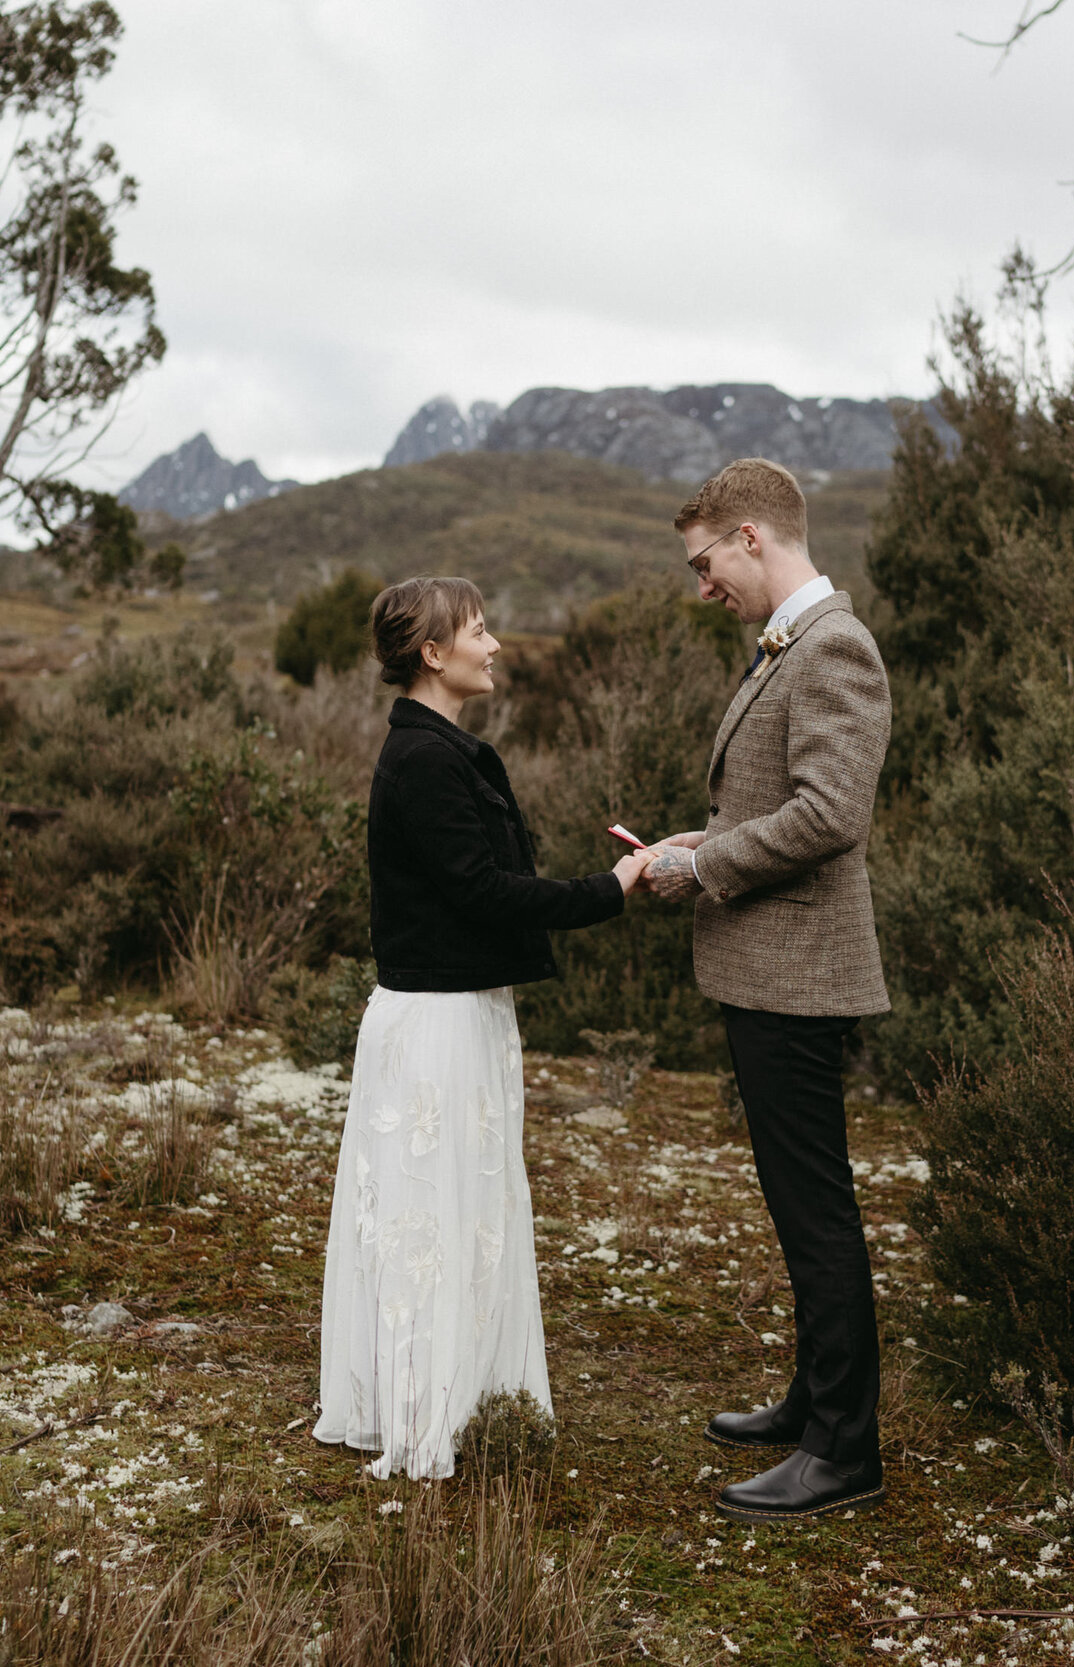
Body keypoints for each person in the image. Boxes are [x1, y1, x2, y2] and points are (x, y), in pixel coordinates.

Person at [314, 575, 651, 1480]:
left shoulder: (441, 750)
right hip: (435, 1026)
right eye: (478, 629)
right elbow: (483, 893)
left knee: (465, 1209)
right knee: (433, 1212)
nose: (495, 643)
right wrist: (609, 891)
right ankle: (427, 1412)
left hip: (463, 1011)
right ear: (433, 652)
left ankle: (462, 1398)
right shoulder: (424, 759)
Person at [641, 458, 893, 1523]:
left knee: (816, 1208)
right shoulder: (790, 641)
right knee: (798, 1206)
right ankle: (812, 1400)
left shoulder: (833, 646)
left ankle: (844, 1450)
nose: (702, 585)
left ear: (751, 537)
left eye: (705, 562)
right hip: (768, 970)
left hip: (800, 976)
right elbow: (781, 801)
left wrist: (702, 865)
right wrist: (715, 837)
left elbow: (832, 813)